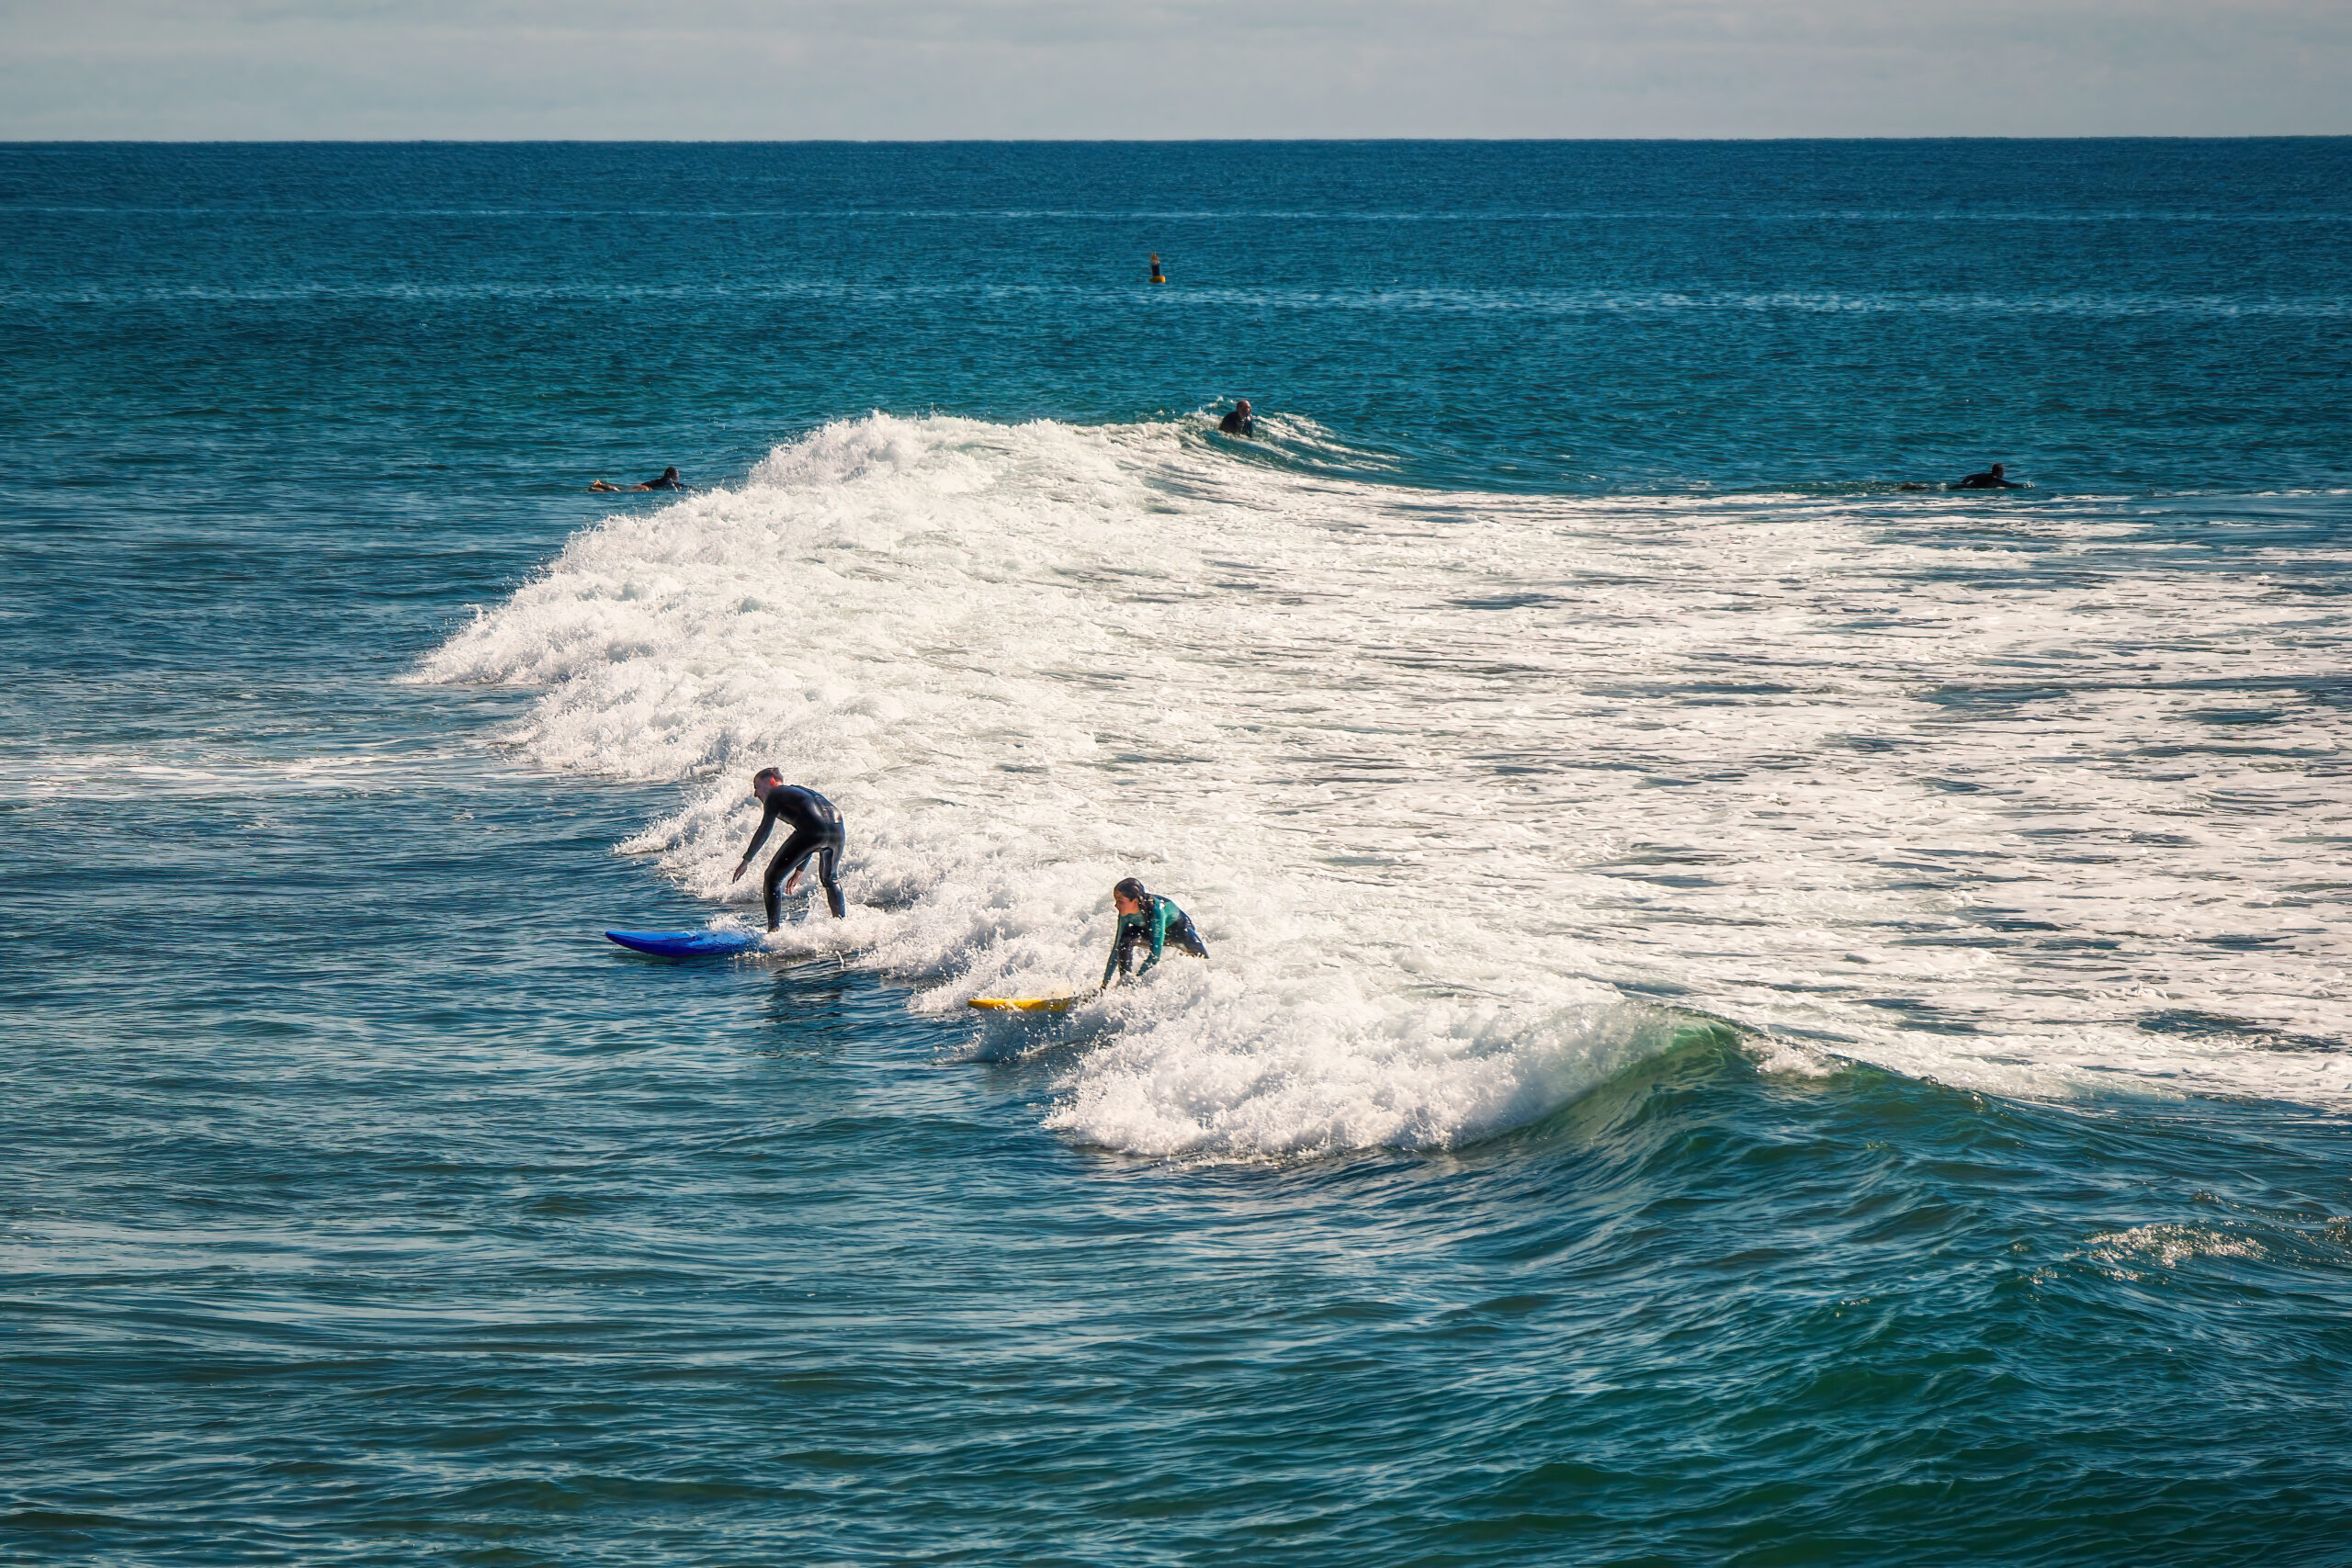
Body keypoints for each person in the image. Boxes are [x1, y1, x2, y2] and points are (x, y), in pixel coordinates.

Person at [728, 770, 846, 927]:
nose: (755, 794)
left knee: (771, 879)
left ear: (771, 782)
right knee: (831, 879)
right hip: (838, 830)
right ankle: (841, 926)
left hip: (813, 831)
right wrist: (799, 870)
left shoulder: (774, 795)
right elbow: (816, 827)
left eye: (756, 786)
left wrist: (747, 859)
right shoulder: (799, 792)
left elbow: (765, 830)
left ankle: (773, 931)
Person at [1102, 876, 1208, 987]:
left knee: (1202, 958)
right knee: (1124, 941)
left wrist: (1138, 976)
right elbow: (1116, 949)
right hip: (1148, 931)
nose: (1116, 905)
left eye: (1120, 901)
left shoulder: (1156, 911)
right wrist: (1104, 984)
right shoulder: (1125, 913)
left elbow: (1155, 955)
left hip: (1179, 930)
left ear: (1134, 901)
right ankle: (1124, 982)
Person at [592, 467, 687, 492]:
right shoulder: (670, 481)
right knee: (619, 492)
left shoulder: (662, 479)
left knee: (621, 490)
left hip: (644, 486)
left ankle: (598, 487)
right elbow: (679, 486)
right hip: (645, 488)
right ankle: (599, 485)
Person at [1951, 462, 2022, 491]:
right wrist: (2023, 486)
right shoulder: (1995, 479)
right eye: (2002, 472)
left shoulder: (1985, 475)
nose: (2003, 474)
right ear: (1999, 472)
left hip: (1965, 486)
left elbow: (1969, 477)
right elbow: (2008, 484)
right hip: (1973, 488)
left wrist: (1964, 483)